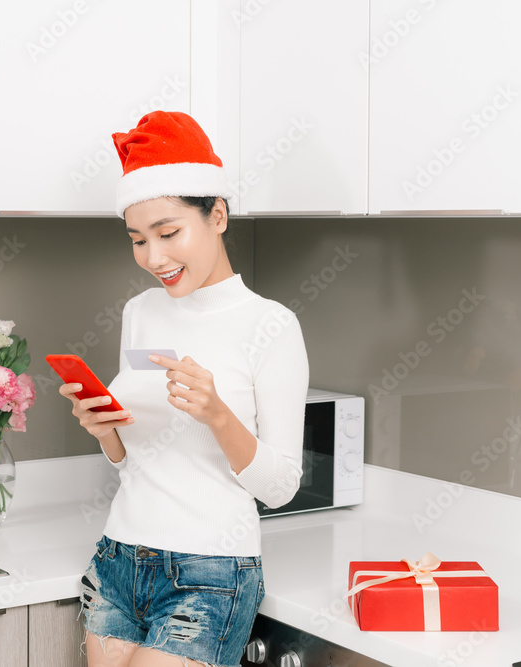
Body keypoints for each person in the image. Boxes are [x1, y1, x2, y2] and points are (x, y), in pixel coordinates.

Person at [60, 111, 309, 667]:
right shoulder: (141, 312)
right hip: (119, 557)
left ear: (217, 214)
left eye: (169, 233)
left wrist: (218, 415)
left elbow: (282, 487)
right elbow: (137, 462)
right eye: (138, 240)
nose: (155, 258)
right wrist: (106, 431)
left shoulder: (270, 325)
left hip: (210, 572)